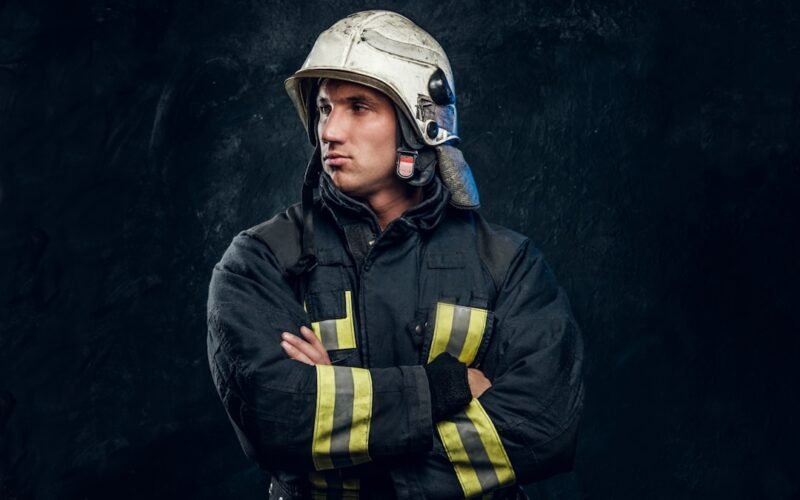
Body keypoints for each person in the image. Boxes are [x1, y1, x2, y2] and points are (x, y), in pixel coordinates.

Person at [207, 10, 584, 500]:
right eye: (324, 108)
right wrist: (446, 388)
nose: (330, 131)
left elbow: (544, 425)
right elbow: (277, 418)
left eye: (358, 107)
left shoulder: (509, 266)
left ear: (418, 125)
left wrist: (340, 410)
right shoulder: (259, 262)